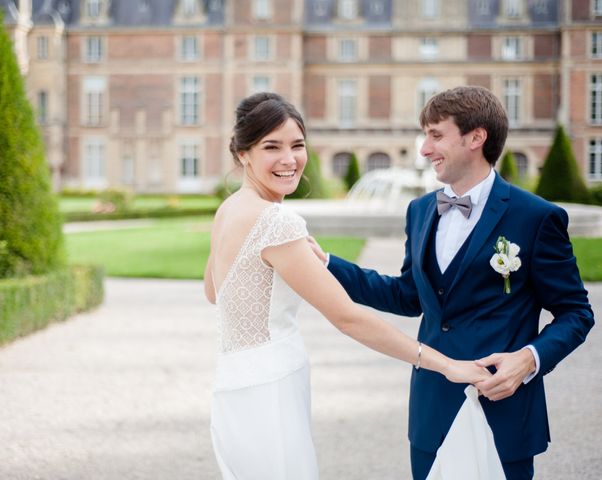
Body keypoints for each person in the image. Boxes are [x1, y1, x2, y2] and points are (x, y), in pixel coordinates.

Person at [310, 86, 595, 480]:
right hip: (432, 407)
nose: (424, 149)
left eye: (436, 135)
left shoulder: (536, 217)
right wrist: (324, 263)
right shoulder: (420, 210)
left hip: (503, 403)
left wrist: (528, 360)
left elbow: (576, 313)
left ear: (476, 138)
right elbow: (407, 295)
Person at [203, 92, 490, 480]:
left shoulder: (230, 209)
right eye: (272, 146)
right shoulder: (276, 222)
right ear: (243, 154)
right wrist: (446, 365)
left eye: (297, 145)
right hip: (270, 386)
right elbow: (348, 318)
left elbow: (214, 291)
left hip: (233, 383)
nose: (290, 159)